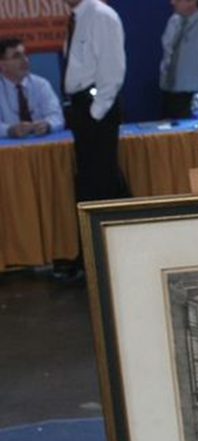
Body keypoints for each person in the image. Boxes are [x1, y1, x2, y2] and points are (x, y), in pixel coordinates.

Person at [59, 0, 129, 283]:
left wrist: (95, 112)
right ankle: (91, 256)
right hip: (81, 106)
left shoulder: (101, 16)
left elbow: (112, 68)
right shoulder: (77, 17)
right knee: (89, 183)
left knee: (101, 183)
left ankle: (105, 258)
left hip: (95, 108)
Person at [0, 38, 64, 139]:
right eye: (16, 56)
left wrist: (47, 125)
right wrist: (10, 130)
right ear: (2, 65)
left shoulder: (41, 84)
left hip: (42, 144)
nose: (25, 60)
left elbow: (57, 116)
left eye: (25, 54)